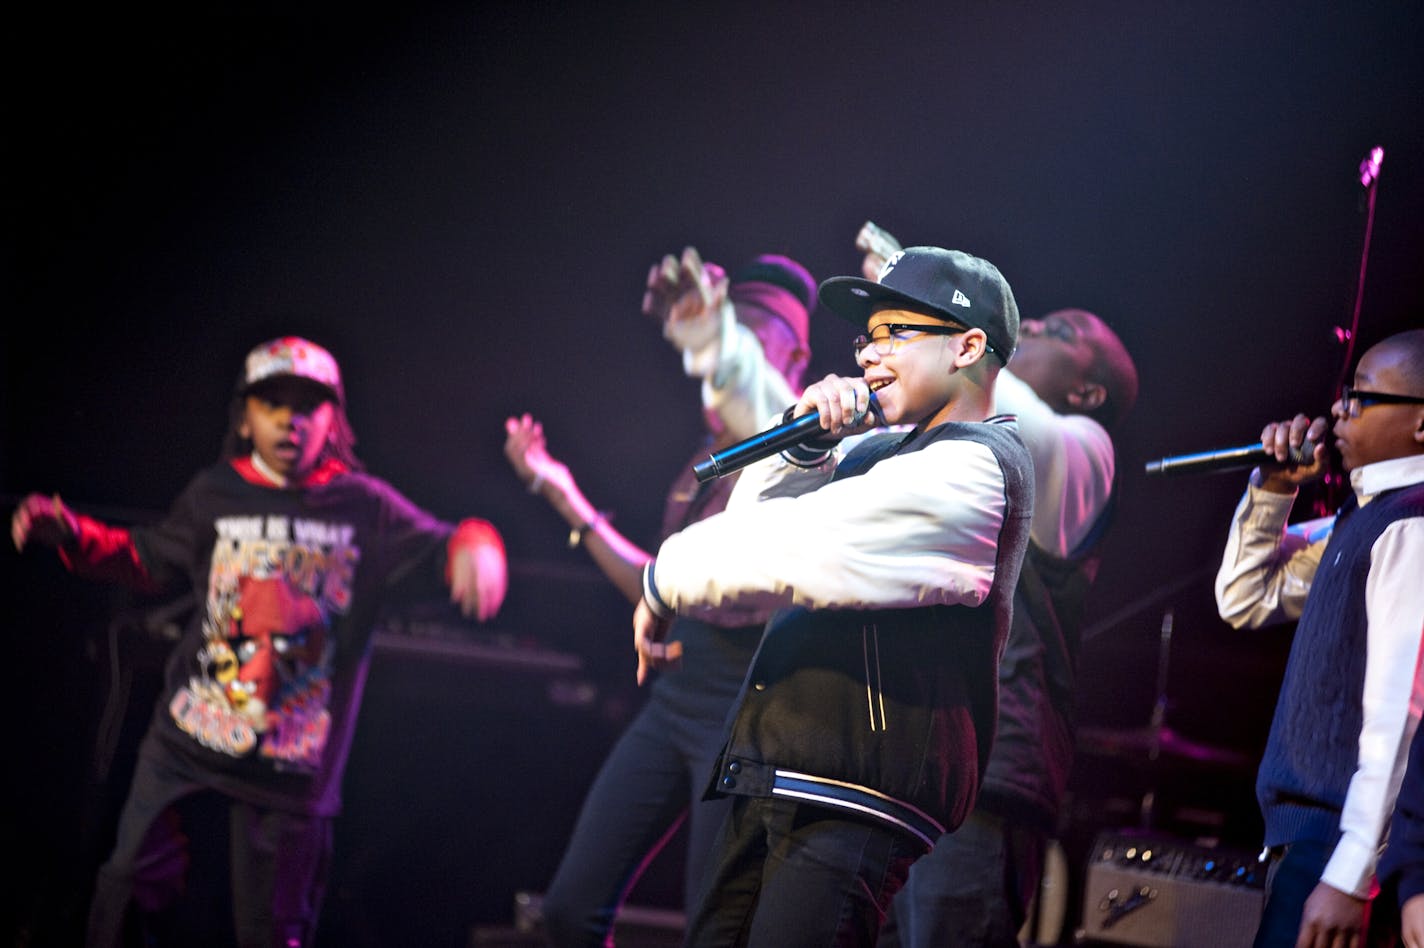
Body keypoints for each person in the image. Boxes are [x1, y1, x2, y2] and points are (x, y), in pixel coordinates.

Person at [10, 335, 510, 948]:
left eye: (308, 406)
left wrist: (478, 544)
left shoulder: (365, 508)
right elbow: (147, 559)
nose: (289, 420)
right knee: (124, 889)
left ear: (334, 421)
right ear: (245, 419)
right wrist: (73, 534)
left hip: (291, 768)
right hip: (187, 744)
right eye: (272, 404)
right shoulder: (214, 493)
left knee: (271, 931)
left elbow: (450, 541)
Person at [633, 245, 1036, 945]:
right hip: (782, 766)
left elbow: (803, 548)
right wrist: (804, 448)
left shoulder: (978, 468)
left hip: (855, 791)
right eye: (866, 337)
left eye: (895, 333)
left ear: (968, 344)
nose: (870, 356)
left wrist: (661, 578)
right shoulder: (876, 451)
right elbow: (750, 524)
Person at [502, 248, 817, 945]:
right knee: (567, 912)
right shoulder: (707, 460)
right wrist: (561, 494)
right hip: (675, 703)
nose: (729, 344)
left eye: (751, 333)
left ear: (794, 357)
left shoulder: (804, 450)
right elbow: (662, 579)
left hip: (746, 718)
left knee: (714, 932)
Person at [856, 224, 1138, 947]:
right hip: (910, 766)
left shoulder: (1085, 450)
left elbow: (1031, 430)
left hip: (988, 776)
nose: (1038, 323)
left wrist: (948, 328)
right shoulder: (958, 446)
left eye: (1063, 330)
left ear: (1088, 388)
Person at [1214, 328, 1424, 948]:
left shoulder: (1411, 526)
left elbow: (1401, 718)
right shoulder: (1367, 518)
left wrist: (1351, 874)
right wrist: (1277, 487)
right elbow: (1245, 598)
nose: (1337, 410)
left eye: (1359, 398)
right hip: (1310, 836)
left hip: (1341, 842)